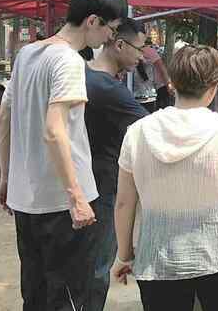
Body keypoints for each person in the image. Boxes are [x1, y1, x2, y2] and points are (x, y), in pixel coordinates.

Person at [0, 0, 125, 311]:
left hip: (27, 202)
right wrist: (77, 197)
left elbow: (4, 119)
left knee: (36, 295)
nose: (110, 39)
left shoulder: (27, 54)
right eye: (110, 29)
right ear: (92, 21)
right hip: (64, 207)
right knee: (70, 298)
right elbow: (55, 131)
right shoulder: (68, 61)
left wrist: (6, 178)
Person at [111, 45, 218, 310]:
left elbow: (124, 202)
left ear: (172, 83)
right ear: (215, 86)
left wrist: (124, 255)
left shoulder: (137, 133)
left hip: (158, 261)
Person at [83, 18, 150, 311]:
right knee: (98, 268)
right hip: (103, 186)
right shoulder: (107, 87)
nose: (142, 55)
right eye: (140, 48)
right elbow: (150, 128)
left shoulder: (84, 76)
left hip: (85, 182)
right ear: (119, 44)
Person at [142, 40, 172, 109]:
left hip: (156, 85)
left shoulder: (147, 51)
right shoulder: (149, 51)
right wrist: (168, 83)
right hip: (157, 85)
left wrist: (168, 83)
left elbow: (161, 66)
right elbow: (161, 66)